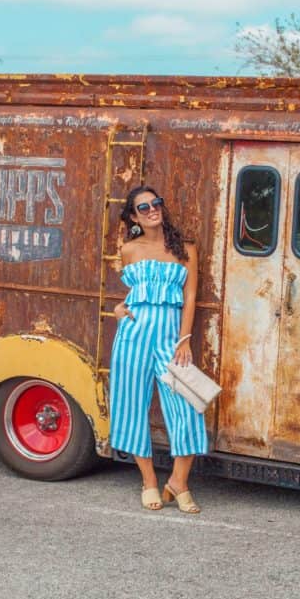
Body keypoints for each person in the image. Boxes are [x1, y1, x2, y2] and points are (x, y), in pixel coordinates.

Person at [110, 185, 208, 513]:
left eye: (156, 203)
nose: (153, 209)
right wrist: (119, 309)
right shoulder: (128, 249)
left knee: (190, 403)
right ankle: (149, 481)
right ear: (134, 217)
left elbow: (191, 296)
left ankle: (178, 481)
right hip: (133, 335)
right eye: (144, 207)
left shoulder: (185, 248)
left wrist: (185, 340)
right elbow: (130, 292)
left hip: (171, 336)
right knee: (131, 405)